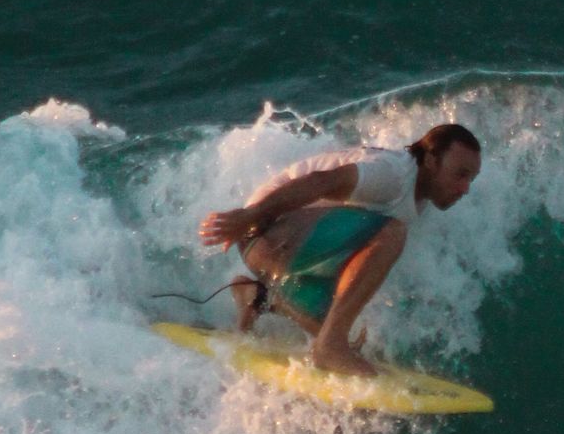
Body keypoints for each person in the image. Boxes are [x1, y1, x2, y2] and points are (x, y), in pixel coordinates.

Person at [198, 122, 482, 375]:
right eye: (460, 174)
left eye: (471, 179)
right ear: (432, 160)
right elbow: (321, 182)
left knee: (345, 331)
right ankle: (330, 347)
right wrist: (249, 216)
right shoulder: (392, 174)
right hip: (263, 230)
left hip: (291, 244)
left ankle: (256, 296)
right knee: (392, 233)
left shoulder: (419, 199)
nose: (465, 188)